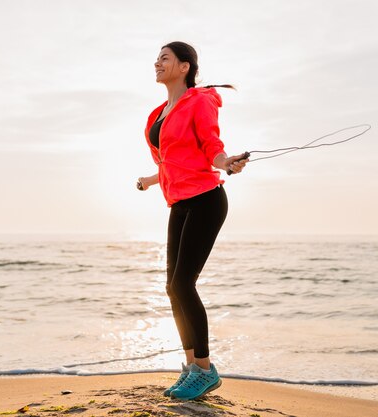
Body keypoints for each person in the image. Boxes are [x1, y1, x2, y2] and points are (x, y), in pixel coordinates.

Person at [136, 41, 248, 401]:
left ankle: (205, 368)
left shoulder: (199, 101)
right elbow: (171, 160)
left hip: (206, 200)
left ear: (184, 66)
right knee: (172, 287)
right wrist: (151, 180)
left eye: (164, 58)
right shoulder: (157, 114)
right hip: (180, 203)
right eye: (156, 58)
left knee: (184, 283)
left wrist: (226, 161)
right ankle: (190, 367)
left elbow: (209, 145)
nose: (157, 63)